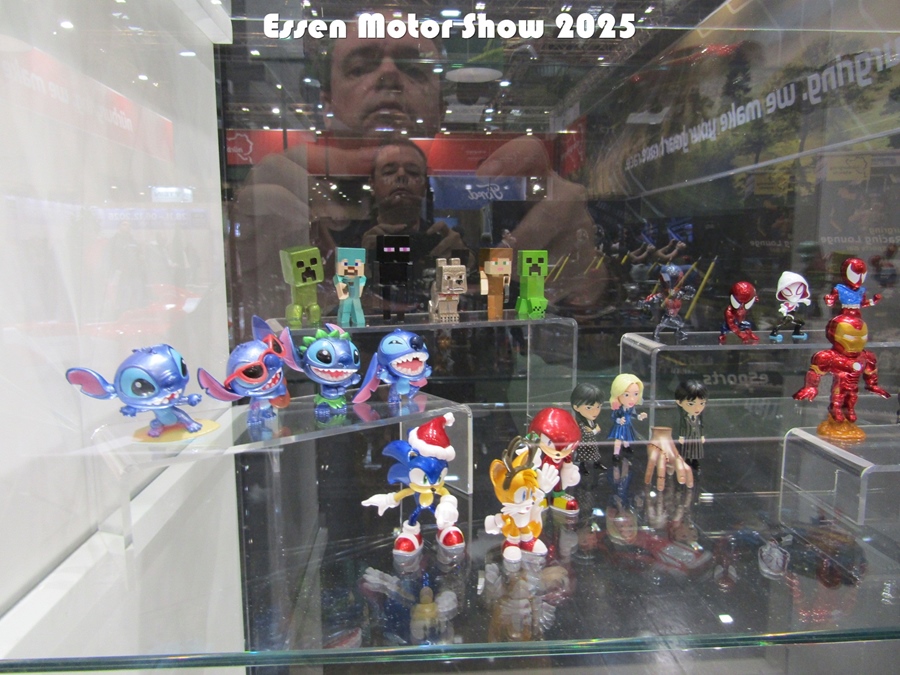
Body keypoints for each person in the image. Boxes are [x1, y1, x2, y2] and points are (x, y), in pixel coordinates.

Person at [230, 10, 603, 339]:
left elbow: (549, 339)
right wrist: (250, 285)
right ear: (327, 102)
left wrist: (585, 282)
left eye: (412, 67)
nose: (388, 75)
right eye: (361, 67)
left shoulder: (457, 238)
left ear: (440, 107)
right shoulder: (305, 219)